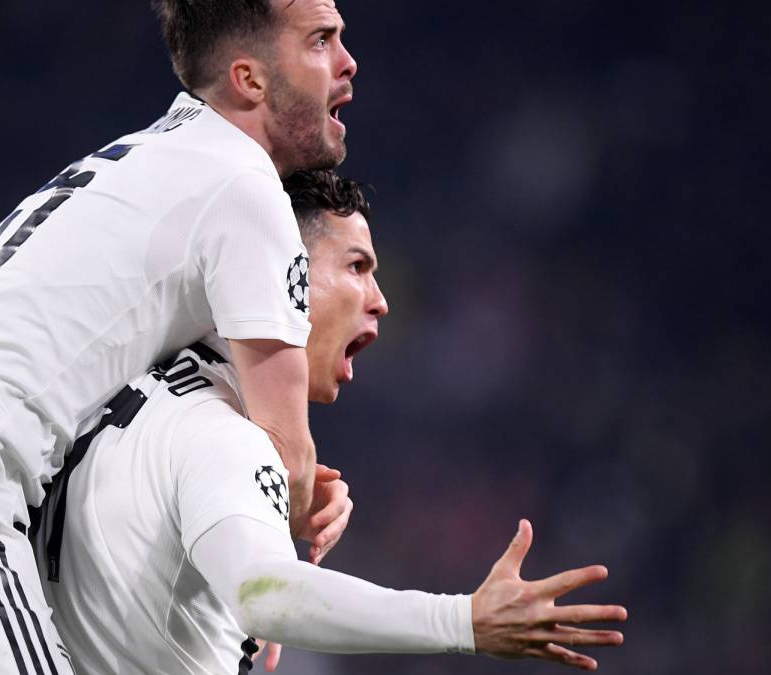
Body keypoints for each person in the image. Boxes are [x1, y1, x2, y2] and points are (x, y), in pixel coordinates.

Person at [0, 1, 359, 672]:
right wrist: (277, 549)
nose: (347, 61)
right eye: (321, 41)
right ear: (248, 79)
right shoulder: (245, 187)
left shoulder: (146, 159)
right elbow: (285, 450)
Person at [40, 170, 628, 674]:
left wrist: (268, 514)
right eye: (356, 266)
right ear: (281, 272)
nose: (380, 299)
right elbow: (260, 594)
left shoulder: (135, 390)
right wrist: (463, 620)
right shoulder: (218, 431)